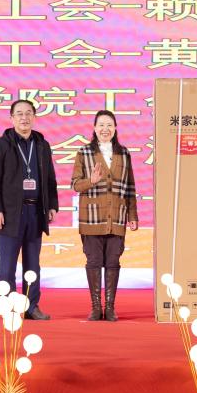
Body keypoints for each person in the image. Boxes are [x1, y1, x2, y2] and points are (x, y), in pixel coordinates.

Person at [0, 99, 59, 320]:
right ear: (11, 118)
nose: (24, 118)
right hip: (9, 214)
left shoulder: (42, 145)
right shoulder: (1, 145)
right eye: (19, 113)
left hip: (35, 212)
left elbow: (50, 179)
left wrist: (52, 205)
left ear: (34, 117)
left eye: (28, 113)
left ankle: (31, 306)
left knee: (33, 265)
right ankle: (8, 306)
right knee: (8, 265)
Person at [70, 110, 138, 322]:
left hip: (117, 216)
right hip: (91, 217)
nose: (105, 129)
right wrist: (91, 180)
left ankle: (109, 308)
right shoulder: (84, 152)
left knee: (113, 261)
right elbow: (75, 185)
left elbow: (130, 187)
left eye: (109, 125)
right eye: (101, 125)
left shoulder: (124, 153)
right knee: (93, 261)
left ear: (115, 128)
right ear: (94, 128)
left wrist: (132, 215)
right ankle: (95, 307)